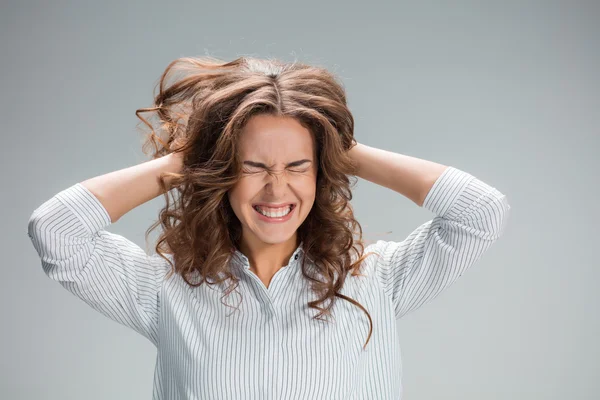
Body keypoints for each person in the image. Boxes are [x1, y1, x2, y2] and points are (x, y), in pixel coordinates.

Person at [27, 56, 511, 400]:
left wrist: (340, 148)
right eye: (253, 166)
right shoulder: (166, 290)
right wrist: (193, 157)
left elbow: (480, 212)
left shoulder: (377, 280)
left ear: (322, 173)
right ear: (221, 173)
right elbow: (56, 231)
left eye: (297, 166)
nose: (277, 190)